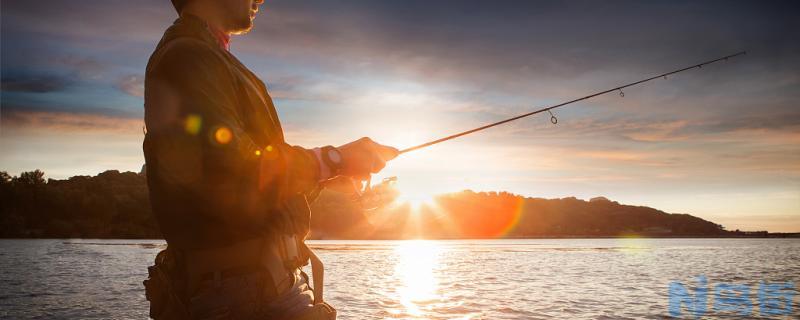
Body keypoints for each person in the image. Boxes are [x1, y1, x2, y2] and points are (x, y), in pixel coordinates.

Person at [141, 0, 399, 319]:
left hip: (256, 288)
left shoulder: (204, 56)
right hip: (244, 296)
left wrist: (323, 176)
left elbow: (245, 190)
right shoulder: (187, 57)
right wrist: (334, 159)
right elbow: (228, 169)